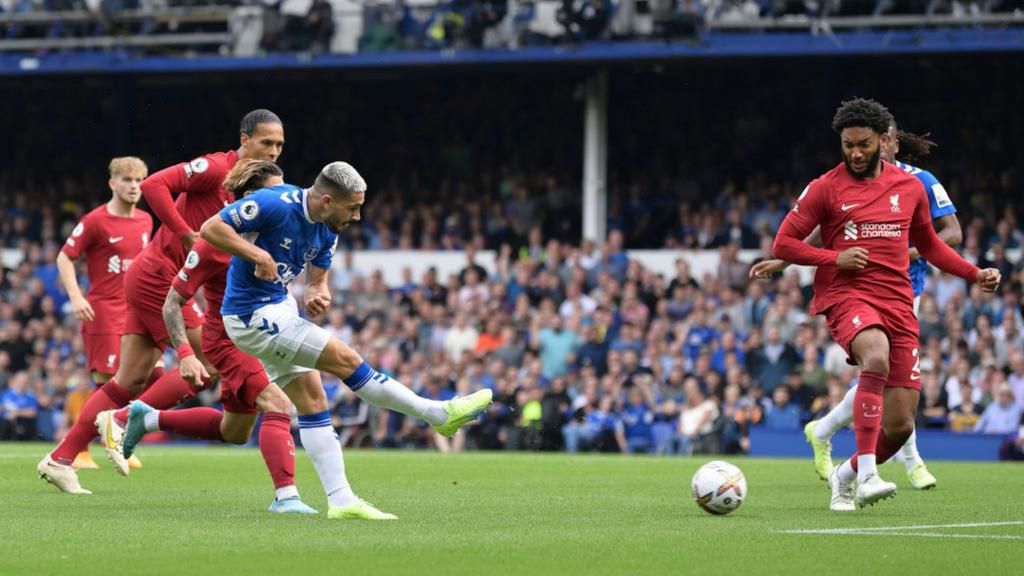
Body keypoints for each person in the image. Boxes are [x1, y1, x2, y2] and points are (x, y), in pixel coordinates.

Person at [200, 161, 492, 520]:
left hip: (280, 309)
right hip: (250, 316)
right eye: (352, 207)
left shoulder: (328, 229)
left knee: (312, 399)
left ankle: (341, 501)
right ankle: (437, 413)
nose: (357, 216)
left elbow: (317, 281)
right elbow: (210, 227)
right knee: (348, 360)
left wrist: (317, 293)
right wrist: (257, 254)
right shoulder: (275, 204)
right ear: (326, 200)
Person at [37, 109, 285, 495]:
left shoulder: (255, 189)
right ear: (244, 139)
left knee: (128, 380)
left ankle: (61, 458)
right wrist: (186, 233)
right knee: (208, 361)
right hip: (160, 278)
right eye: (266, 142)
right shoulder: (216, 169)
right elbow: (155, 185)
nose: (272, 151)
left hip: (157, 278)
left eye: (279, 145)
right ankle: (123, 421)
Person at [771, 98, 1000, 510]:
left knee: (898, 425)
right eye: (847, 145)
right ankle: (870, 477)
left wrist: (973, 273)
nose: (855, 153)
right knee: (874, 355)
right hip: (847, 295)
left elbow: (930, 244)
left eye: (863, 144)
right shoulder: (825, 187)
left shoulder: (910, 187)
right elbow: (784, 242)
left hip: (897, 302)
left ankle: (846, 474)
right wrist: (833, 258)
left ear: (884, 140)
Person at [114, 159, 315, 514]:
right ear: (251, 198)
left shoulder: (277, 234)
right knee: (279, 405)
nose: (285, 196)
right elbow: (172, 303)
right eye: (276, 190)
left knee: (235, 431)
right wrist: (186, 354)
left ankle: (147, 419)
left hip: (259, 335)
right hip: (227, 339)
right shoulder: (212, 242)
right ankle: (287, 497)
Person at [53, 156, 153, 469]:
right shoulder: (95, 221)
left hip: (136, 311)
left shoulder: (146, 221)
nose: (134, 186)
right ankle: (79, 450)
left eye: (138, 180)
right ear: (112, 183)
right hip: (103, 311)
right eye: (127, 180)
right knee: (106, 382)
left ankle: (116, 439)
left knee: (148, 376)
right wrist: (76, 296)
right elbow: (65, 257)